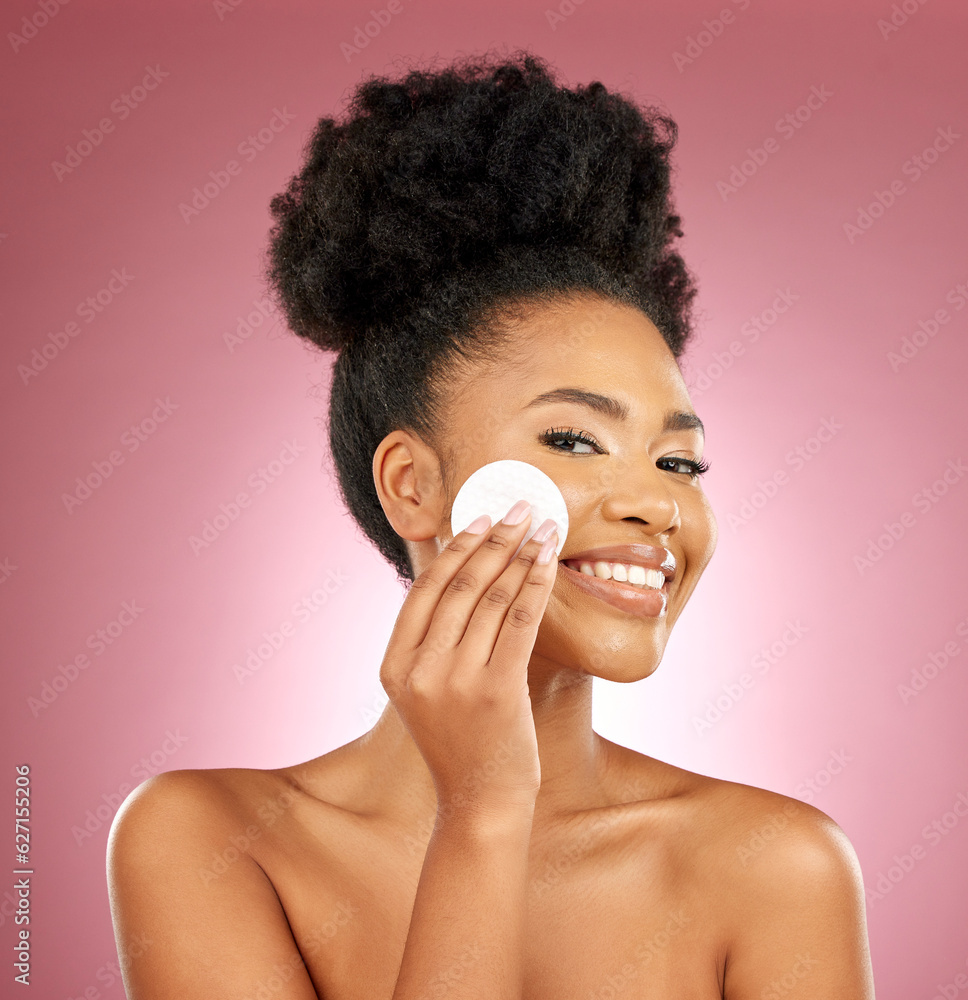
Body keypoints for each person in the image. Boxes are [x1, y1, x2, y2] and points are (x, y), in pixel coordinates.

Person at [106, 50, 876, 999]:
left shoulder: (778, 867)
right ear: (414, 485)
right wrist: (481, 814)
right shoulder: (212, 841)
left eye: (679, 460)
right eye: (575, 438)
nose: (658, 503)